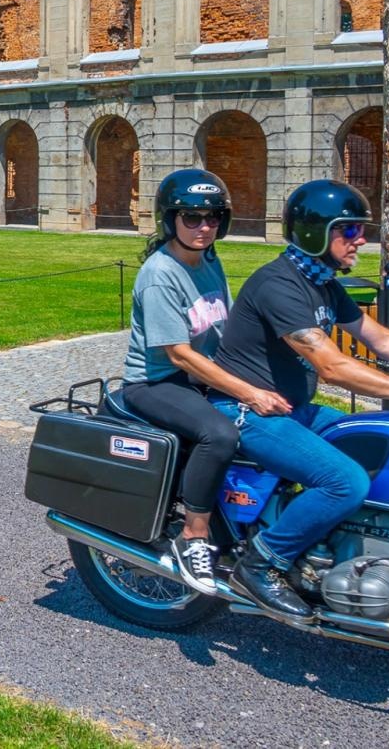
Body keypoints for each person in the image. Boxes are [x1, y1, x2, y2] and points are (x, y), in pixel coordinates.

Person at [209, 179, 389, 621]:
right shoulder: (279, 285)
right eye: (349, 230)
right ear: (315, 232)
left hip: (294, 409)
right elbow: (333, 367)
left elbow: (376, 336)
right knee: (346, 481)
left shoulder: (323, 282)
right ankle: (261, 563)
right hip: (246, 411)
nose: (361, 239)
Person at [121, 170, 292, 593]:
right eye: (192, 217)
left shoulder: (208, 261)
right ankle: (193, 537)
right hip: (157, 383)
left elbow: (223, 327)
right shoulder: (161, 274)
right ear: (170, 219)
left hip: (194, 376)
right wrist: (249, 391)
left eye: (213, 217)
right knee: (218, 434)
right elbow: (178, 354)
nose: (203, 227)